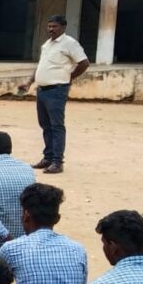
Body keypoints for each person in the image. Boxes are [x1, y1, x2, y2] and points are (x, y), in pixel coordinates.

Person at [15, 15, 89, 174]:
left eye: (54, 26)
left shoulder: (69, 43)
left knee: (56, 126)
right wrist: (29, 82)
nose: (51, 29)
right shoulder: (47, 44)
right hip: (42, 90)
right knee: (46, 126)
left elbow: (84, 63)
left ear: (63, 27)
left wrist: (69, 77)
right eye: (49, 26)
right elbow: (42, 66)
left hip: (57, 90)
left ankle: (57, 162)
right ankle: (48, 158)